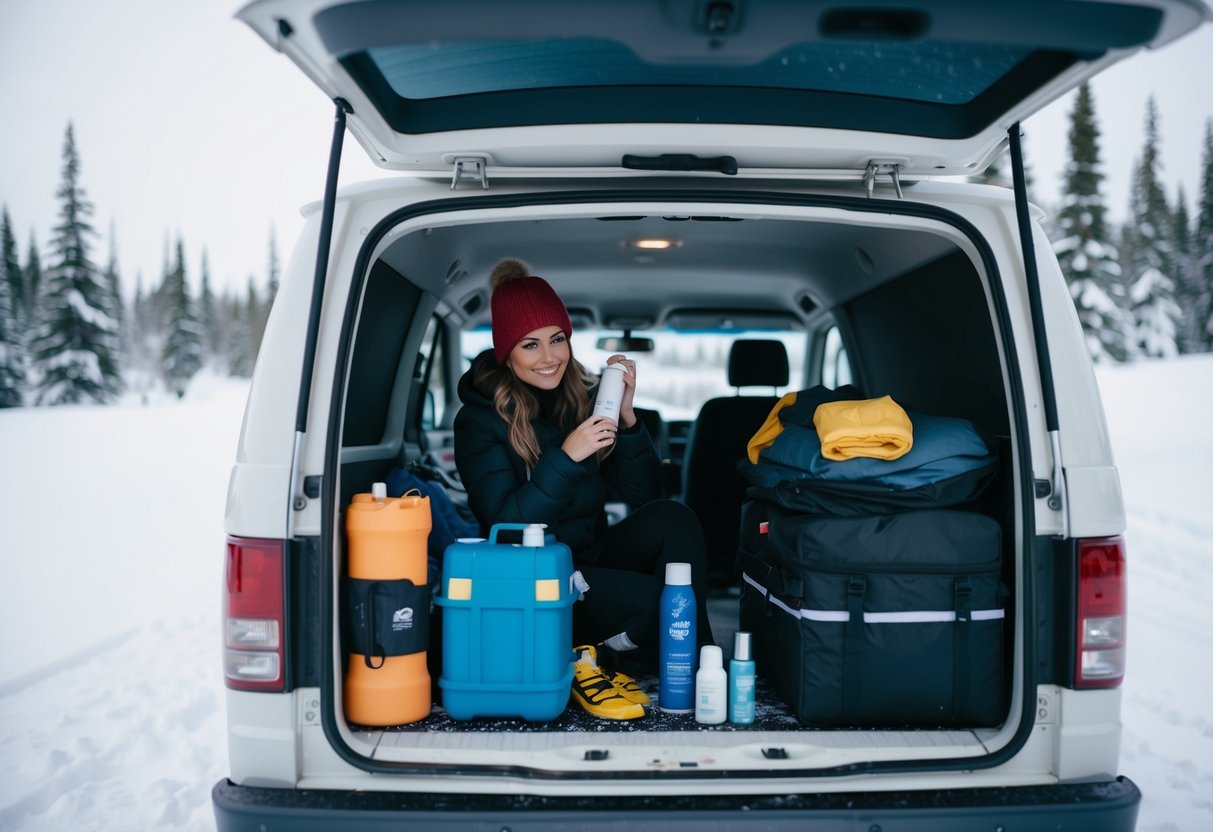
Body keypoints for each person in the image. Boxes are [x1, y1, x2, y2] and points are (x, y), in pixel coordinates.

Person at [453, 258, 714, 716]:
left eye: (558, 339)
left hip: (588, 563)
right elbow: (506, 524)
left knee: (675, 519)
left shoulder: (582, 397)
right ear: (506, 352)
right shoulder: (478, 420)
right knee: (666, 603)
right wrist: (567, 456)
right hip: (532, 580)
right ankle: (593, 653)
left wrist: (629, 422)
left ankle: (697, 669)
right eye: (530, 345)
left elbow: (646, 497)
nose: (549, 357)